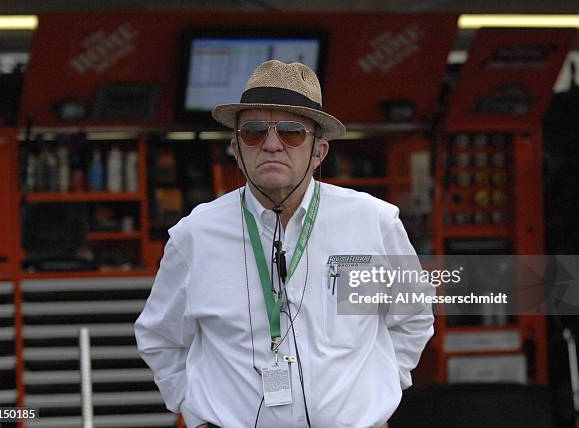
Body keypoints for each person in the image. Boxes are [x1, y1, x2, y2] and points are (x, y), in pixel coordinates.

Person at [135, 60, 434, 428]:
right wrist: (194, 409)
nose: (272, 144)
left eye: (292, 132)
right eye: (254, 132)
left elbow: (413, 315)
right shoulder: (194, 235)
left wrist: (378, 392)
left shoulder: (373, 222)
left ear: (319, 152)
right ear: (237, 150)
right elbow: (159, 336)